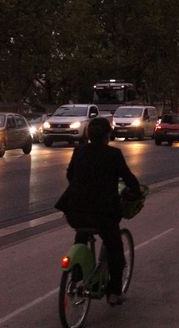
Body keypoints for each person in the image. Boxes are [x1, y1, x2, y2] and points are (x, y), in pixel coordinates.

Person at [55, 117, 141, 305]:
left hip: (75, 212)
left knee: (81, 234)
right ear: (107, 135)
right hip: (103, 214)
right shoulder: (113, 154)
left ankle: (77, 276)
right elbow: (129, 179)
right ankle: (114, 293)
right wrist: (135, 192)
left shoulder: (79, 151)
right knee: (115, 249)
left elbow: (70, 175)